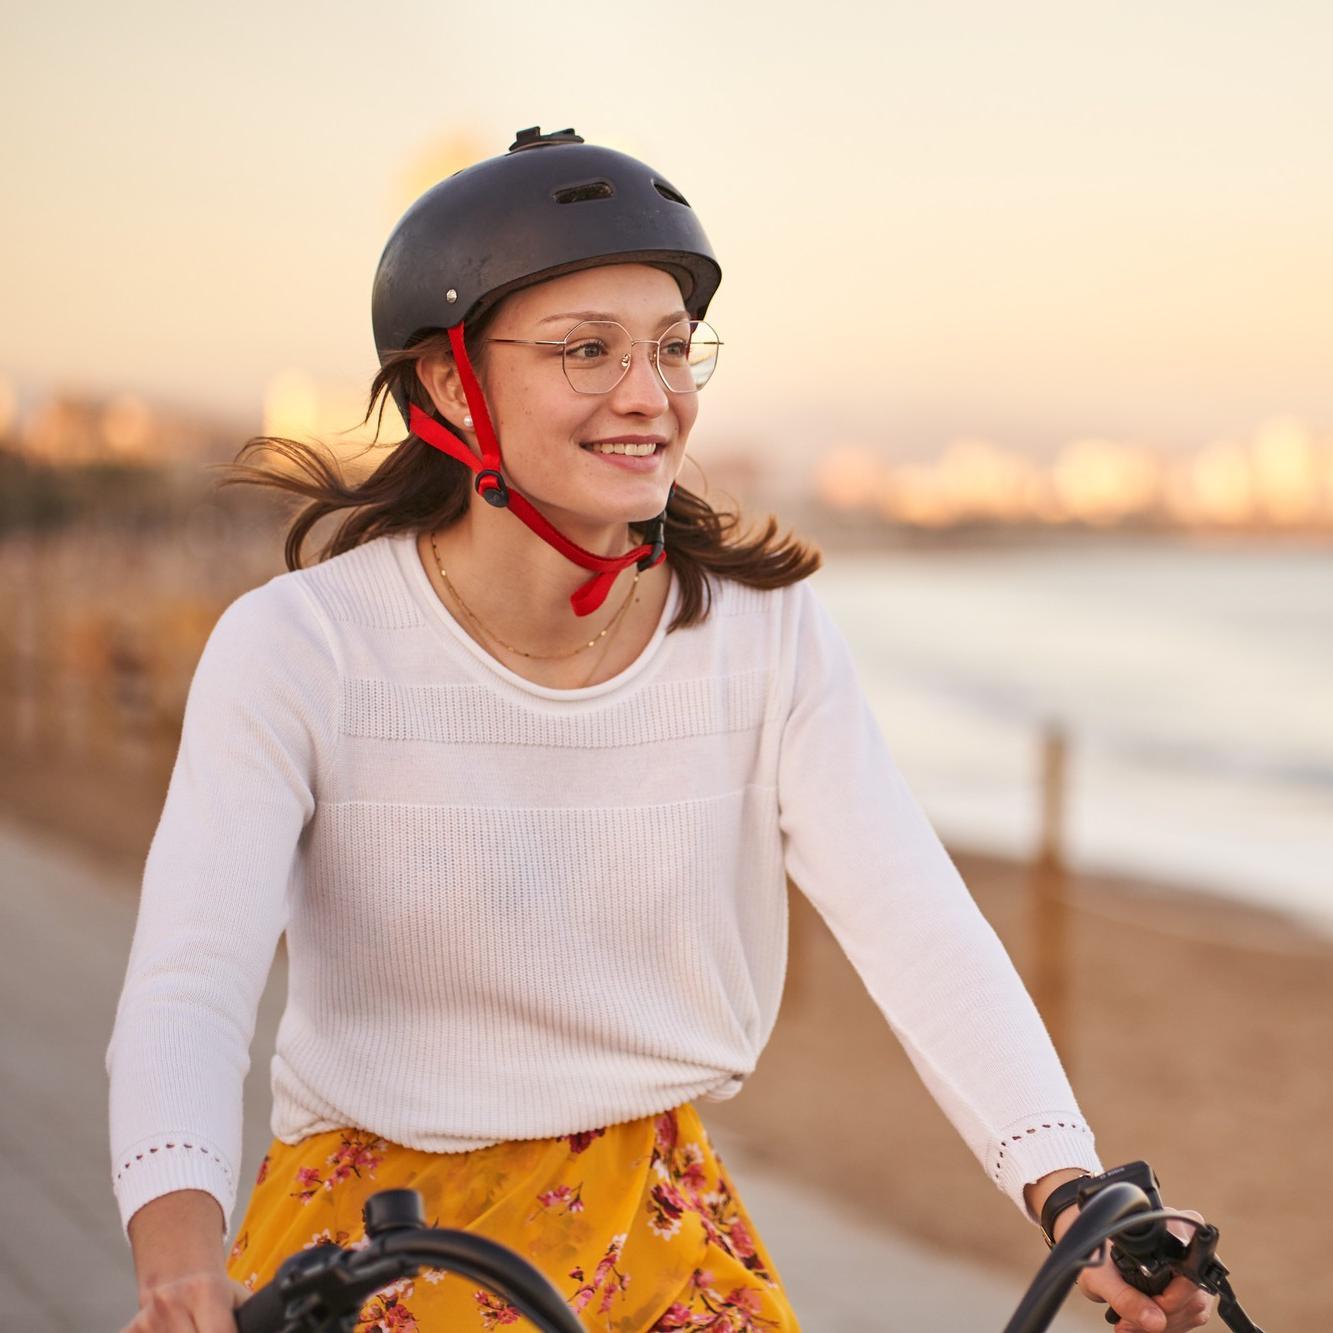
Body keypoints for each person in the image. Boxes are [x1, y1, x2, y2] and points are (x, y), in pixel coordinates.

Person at [107, 127, 1214, 1332]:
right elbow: (189, 981)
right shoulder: (301, 647)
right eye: (587, 351)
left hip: (666, 1237)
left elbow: (917, 925)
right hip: (375, 1244)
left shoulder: (763, 635)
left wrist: (1072, 1192)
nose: (651, 395)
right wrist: (178, 1262)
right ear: (446, 382)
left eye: (675, 351)